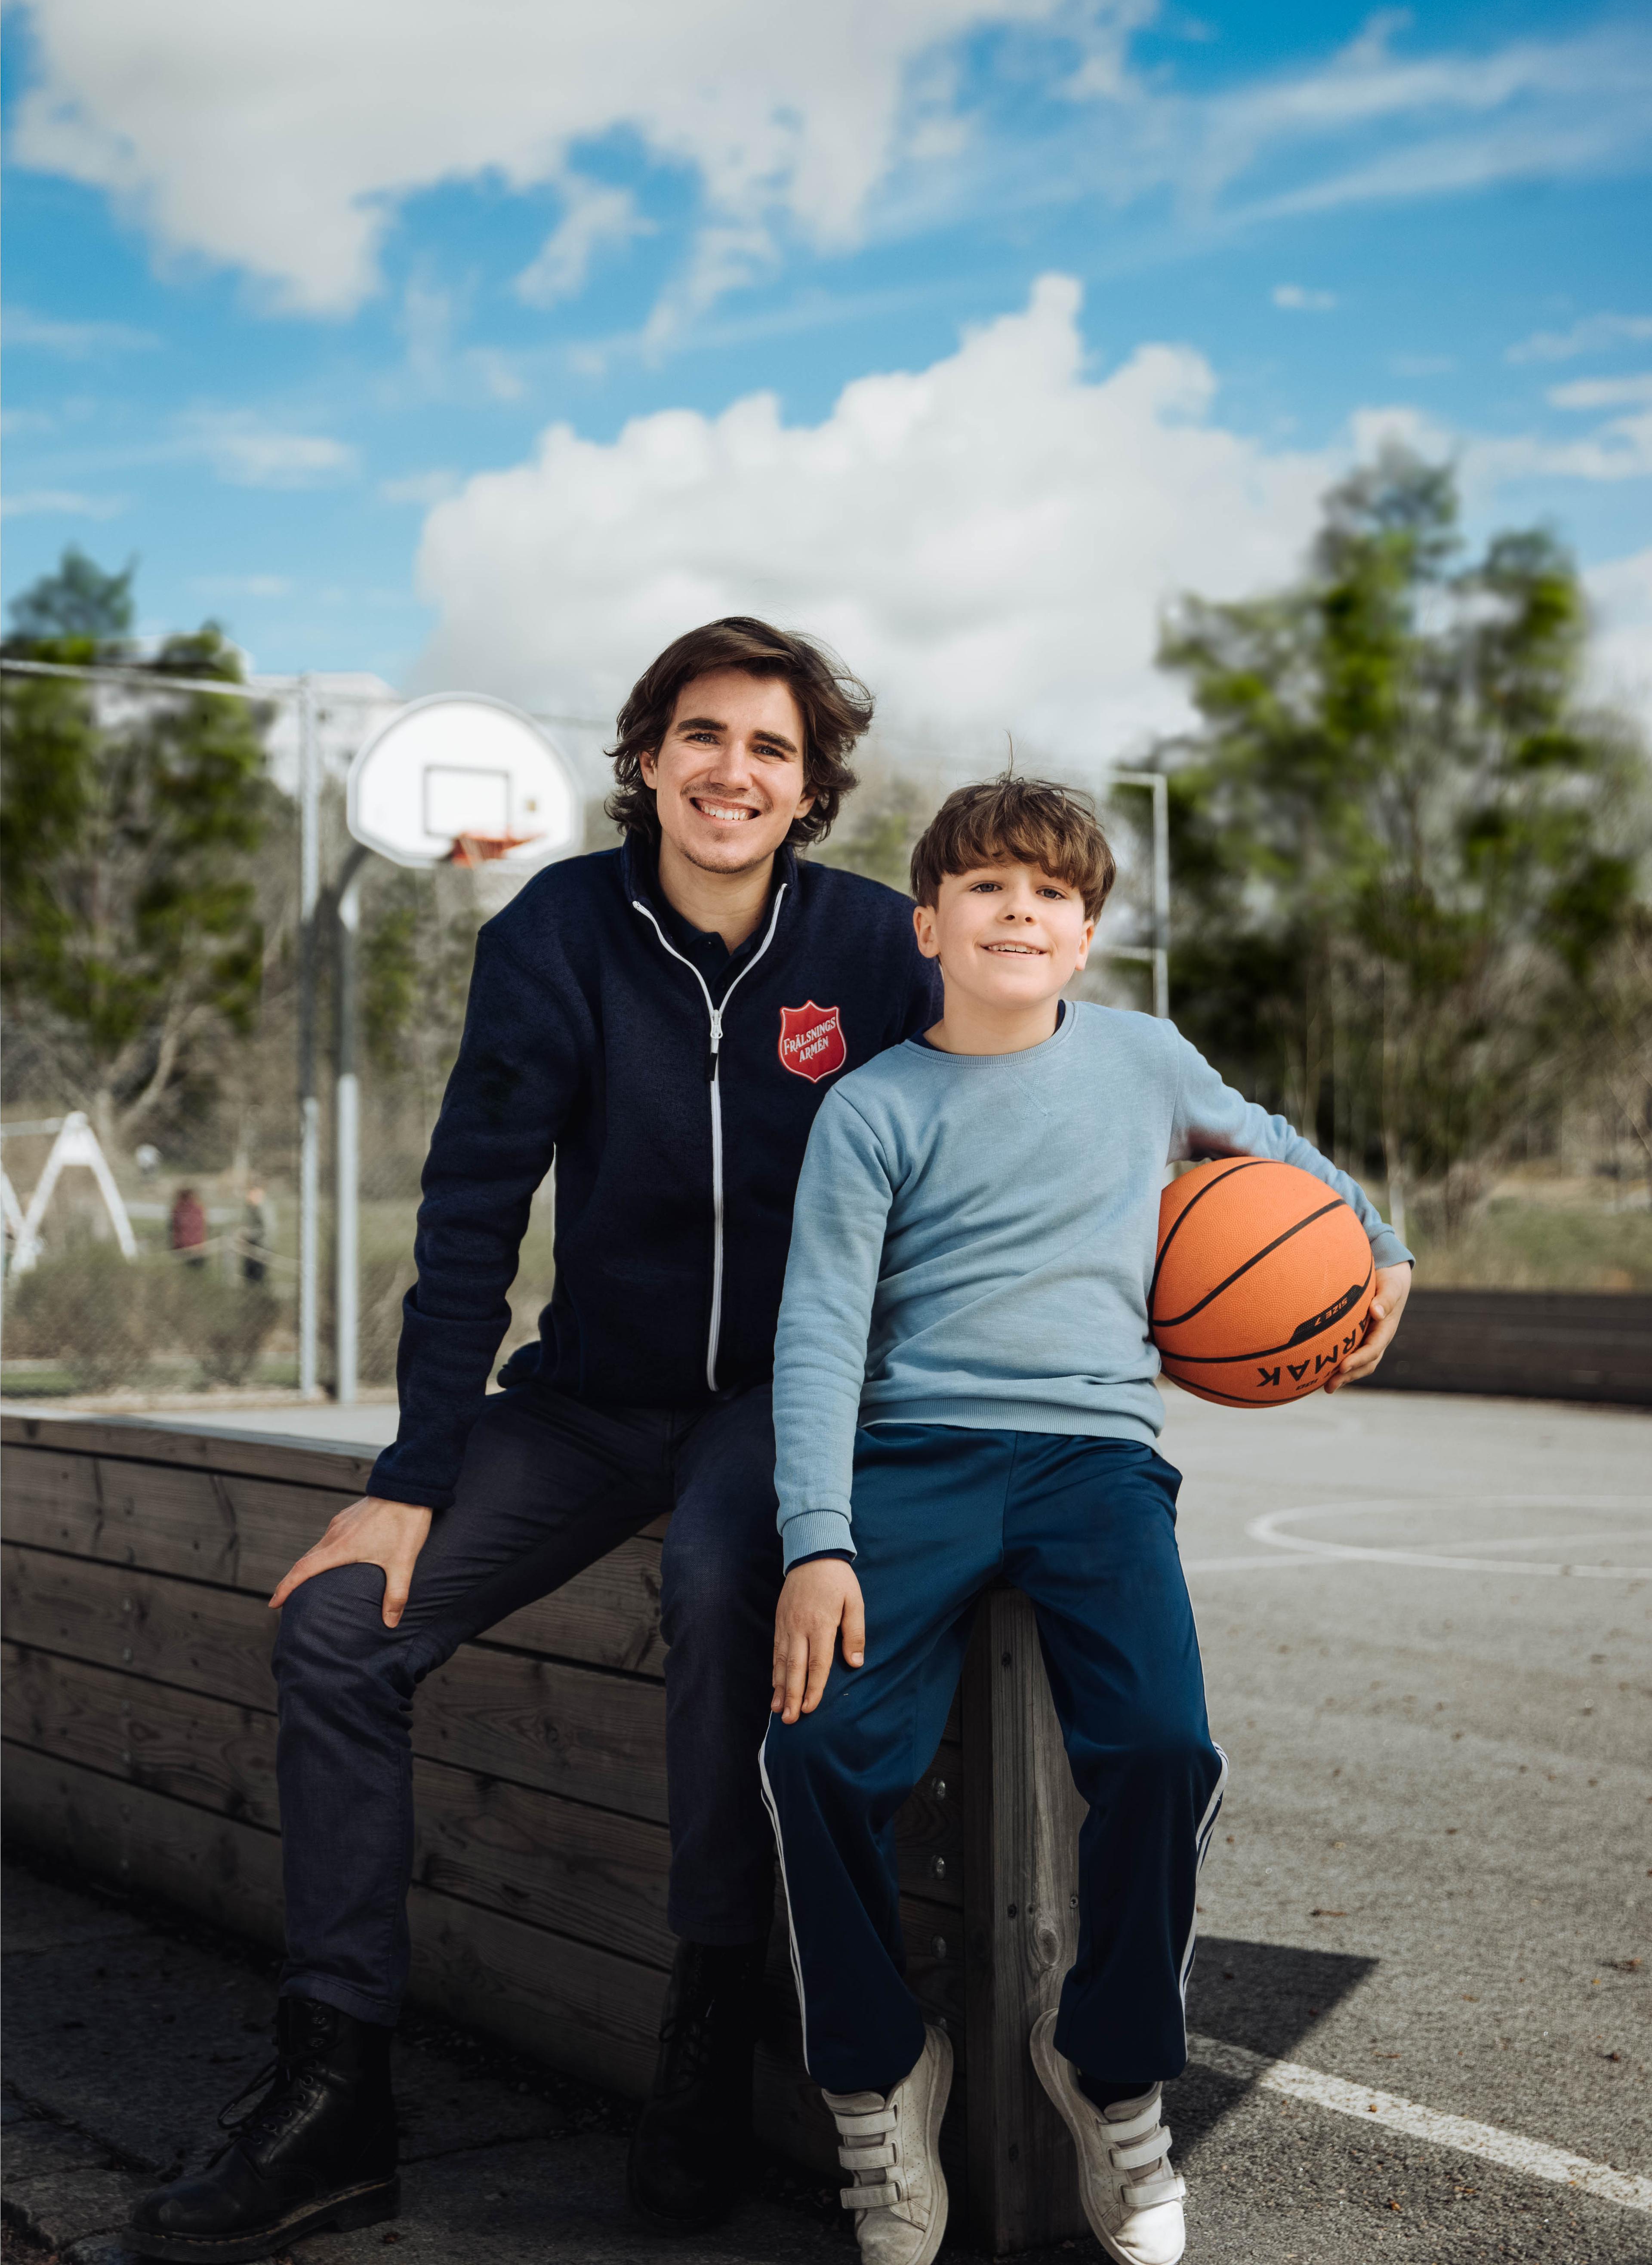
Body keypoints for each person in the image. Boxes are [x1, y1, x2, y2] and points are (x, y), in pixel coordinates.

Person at [129, 618, 940, 2265]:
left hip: (777, 1402)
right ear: (647, 758)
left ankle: (712, 2007)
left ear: (811, 787)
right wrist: (411, 1477)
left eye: (771, 749)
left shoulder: (874, 945)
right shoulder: (562, 927)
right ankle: (333, 2086)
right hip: (587, 1397)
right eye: (702, 736)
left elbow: (1030, 1078)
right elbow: (471, 1207)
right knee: (340, 1632)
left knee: (725, 1574)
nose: (733, 771)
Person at [760, 777, 1413, 2265]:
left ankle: (1109, 2071)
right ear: (927, 924)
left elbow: (1295, 1171)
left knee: (1168, 1749)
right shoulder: (874, 1108)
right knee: (812, 1749)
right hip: (913, 1460)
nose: (1018, 913)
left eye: (1051, 895)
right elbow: (816, 1334)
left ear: (1090, 933)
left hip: (1096, 1465)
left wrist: (1389, 1259)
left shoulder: (1144, 1060)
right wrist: (816, 1539)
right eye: (985, 889)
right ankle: (879, 2077)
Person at [169, 1185, 207, 1268]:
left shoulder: (178, 1210)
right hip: (199, 1249)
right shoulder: (199, 1209)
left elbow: (173, 1230)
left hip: (182, 1249)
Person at [240, 1184, 271, 1285]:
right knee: (249, 1277)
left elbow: (267, 1229)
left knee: (258, 1277)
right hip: (252, 1246)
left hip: (261, 1247)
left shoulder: (263, 1208)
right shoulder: (252, 1208)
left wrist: (249, 1234)